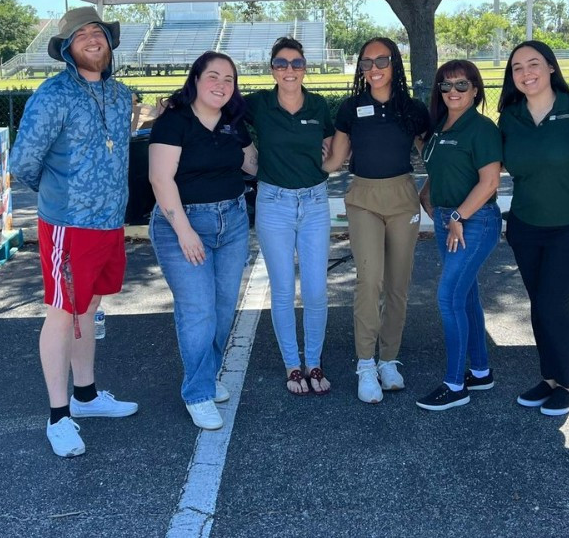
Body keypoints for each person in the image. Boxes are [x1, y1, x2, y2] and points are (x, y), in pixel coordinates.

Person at [10, 6, 137, 459]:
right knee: (63, 311)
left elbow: (119, 143)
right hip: (68, 224)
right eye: (80, 34)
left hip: (110, 222)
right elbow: (22, 161)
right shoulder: (52, 95)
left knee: (90, 307)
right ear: (67, 48)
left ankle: (86, 396)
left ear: (109, 41)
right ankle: (58, 416)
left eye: (97, 32)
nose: (91, 39)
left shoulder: (123, 95)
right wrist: (61, 196)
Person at [148, 52, 258, 431]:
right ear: (195, 79)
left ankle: (206, 378)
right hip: (183, 222)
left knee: (224, 308)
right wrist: (185, 231)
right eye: (213, 76)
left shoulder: (233, 122)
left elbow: (252, 165)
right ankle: (197, 393)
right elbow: (161, 180)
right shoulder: (173, 122)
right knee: (199, 311)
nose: (221, 85)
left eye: (229, 79)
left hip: (233, 221)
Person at [323, 38, 431, 404]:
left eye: (381, 60)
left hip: (403, 196)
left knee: (399, 285)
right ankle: (365, 364)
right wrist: (291, 155)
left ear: (395, 63)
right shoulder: (351, 107)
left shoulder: (413, 109)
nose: (374, 68)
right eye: (367, 62)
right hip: (364, 199)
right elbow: (334, 162)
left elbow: (435, 156)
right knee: (370, 281)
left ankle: (389, 359)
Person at [498, 41, 569, 417]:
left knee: (554, 302)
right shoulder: (510, 116)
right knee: (539, 306)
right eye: (517, 68)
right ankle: (550, 379)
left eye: (534, 64)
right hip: (525, 226)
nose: (526, 73)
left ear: (551, 67)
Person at [245, 37, 335, 395]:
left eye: (296, 63)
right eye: (281, 63)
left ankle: (314, 362)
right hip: (274, 203)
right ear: (272, 69)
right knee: (282, 289)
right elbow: (216, 106)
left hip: (314, 202)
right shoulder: (258, 104)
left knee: (315, 290)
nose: (289, 70)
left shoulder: (319, 105)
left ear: (305, 68)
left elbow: (330, 146)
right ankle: (292, 365)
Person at [416, 60, 502, 411]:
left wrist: (456, 215)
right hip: (449, 220)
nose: (453, 91)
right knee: (465, 298)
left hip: (473, 222)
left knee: (448, 298)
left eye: (462, 85)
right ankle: (479, 372)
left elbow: (490, 181)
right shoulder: (440, 128)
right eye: (445, 86)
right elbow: (441, 170)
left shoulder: (481, 129)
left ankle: (455, 385)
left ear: (476, 90)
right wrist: (426, 195)